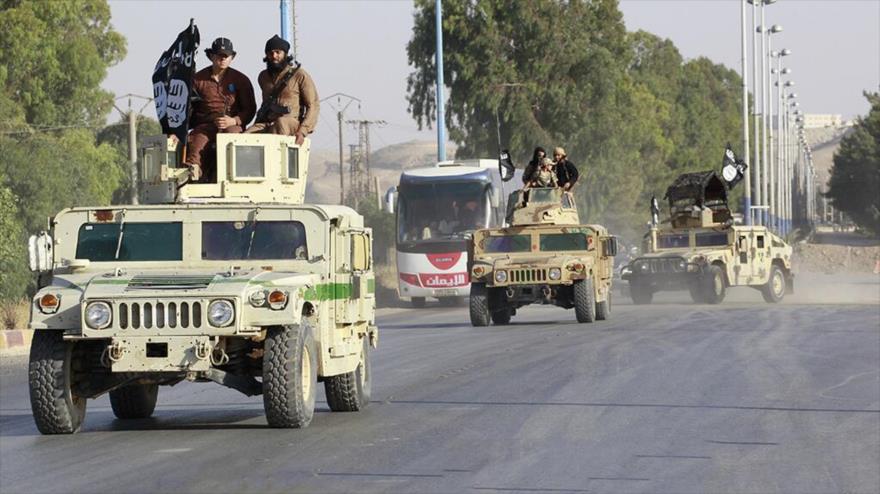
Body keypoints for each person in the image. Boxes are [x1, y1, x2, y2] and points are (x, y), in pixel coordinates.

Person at [181, 37, 256, 182]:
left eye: (225, 56)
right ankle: (193, 174)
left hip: (232, 125)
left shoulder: (241, 80)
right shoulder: (197, 80)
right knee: (197, 141)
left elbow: (250, 109)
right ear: (211, 56)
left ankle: (228, 177)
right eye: (218, 55)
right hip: (206, 124)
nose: (222, 59)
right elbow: (187, 108)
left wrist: (234, 120)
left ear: (231, 58)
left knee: (231, 139)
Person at [246, 35, 319, 144]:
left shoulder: (299, 75)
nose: (274, 56)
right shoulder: (263, 77)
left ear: (285, 54)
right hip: (268, 122)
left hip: (291, 122)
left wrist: (303, 131)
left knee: (281, 123)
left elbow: (313, 105)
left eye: (278, 52)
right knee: (243, 139)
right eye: (270, 53)